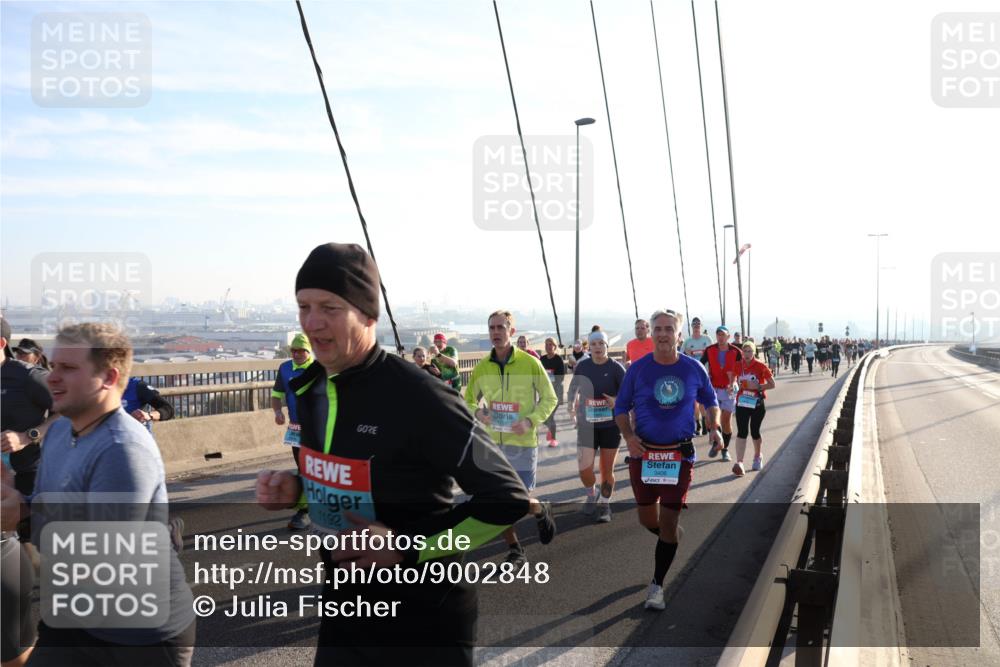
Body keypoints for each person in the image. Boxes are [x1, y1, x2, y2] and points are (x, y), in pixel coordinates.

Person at [255, 244, 531, 666]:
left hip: (424, 623)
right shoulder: (309, 389)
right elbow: (352, 485)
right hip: (346, 611)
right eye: (303, 306)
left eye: (330, 307)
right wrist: (298, 490)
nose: (312, 323)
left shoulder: (421, 397)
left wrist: (405, 549)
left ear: (368, 315)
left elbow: (506, 500)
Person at [1, 323, 195, 666]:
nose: (51, 378)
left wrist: (25, 516)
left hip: (141, 635)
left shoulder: (123, 448)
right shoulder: (60, 430)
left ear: (108, 378)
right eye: (54, 365)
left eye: (68, 368)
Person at [613, 310, 722, 610]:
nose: (662, 334)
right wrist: (629, 438)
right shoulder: (638, 369)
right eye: (657, 329)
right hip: (644, 453)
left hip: (680, 454)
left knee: (669, 519)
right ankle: (670, 536)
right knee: (649, 520)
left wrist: (714, 428)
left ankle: (657, 586)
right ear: (651, 333)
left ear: (679, 335)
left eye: (668, 329)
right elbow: (621, 408)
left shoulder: (693, 368)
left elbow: (710, 400)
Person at [466, 310, 558, 569]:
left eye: (500, 328)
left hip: (523, 442)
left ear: (511, 332)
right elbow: (469, 398)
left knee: (515, 501)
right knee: (499, 499)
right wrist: (478, 412)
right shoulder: (483, 366)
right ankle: (515, 549)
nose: (495, 332)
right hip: (493, 443)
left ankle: (539, 509)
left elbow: (550, 398)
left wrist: (530, 421)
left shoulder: (530, 363)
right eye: (491, 328)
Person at [567, 330, 625, 523]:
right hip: (586, 426)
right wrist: (571, 407)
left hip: (610, 426)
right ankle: (591, 495)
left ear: (607, 346)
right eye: (594, 344)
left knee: (607, 470)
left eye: (601, 343)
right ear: (588, 347)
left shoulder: (616, 368)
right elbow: (572, 389)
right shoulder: (583, 366)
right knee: (584, 469)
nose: (598, 347)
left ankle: (605, 505)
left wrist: (617, 401)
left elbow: (628, 396)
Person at [271, 333, 317, 531]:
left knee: (313, 469)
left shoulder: (320, 368)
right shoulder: (285, 368)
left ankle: (306, 511)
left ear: (309, 352)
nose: (297, 354)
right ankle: (309, 508)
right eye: (294, 351)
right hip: (296, 428)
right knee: (302, 468)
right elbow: (276, 394)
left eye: (301, 351)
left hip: (318, 429)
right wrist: (277, 411)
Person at [732, 340, 775, 476]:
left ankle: (757, 456)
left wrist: (758, 387)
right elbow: (733, 379)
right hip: (742, 402)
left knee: (754, 432)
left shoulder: (761, 366)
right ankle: (739, 462)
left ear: (754, 352)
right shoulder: (738, 365)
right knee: (742, 432)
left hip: (757, 403)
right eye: (745, 351)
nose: (747, 354)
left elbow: (772, 384)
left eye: (750, 351)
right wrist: (732, 385)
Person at [700, 326, 743, 462]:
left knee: (726, 421)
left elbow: (743, 369)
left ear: (728, 336)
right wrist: (703, 378)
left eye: (723, 335)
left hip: (729, 389)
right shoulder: (710, 350)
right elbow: (700, 365)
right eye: (718, 334)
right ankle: (716, 442)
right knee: (712, 419)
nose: (720, 337)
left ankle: (724, 450)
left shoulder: (736, 351)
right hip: (713, 389)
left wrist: (736, 382)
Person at [680, 317, 712, 435]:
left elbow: (713, 354)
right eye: (694, 324)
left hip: (706, 373)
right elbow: (680, 356)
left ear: (701, 326)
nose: (696, 326)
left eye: (698, 324)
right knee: (694, 401)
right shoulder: (687, 341)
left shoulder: (707, 339)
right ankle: (698, 423)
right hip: (691, 375)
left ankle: (704, 423)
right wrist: (686, 353)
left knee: (704, 399)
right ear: (691, 327)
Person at [539, 338, 566, 448]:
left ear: (555, 346)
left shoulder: (558, 359)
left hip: (556, 392)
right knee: (543, 416)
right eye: (547, 344)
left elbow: (561, 378)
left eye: (551, 344)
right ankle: (551, 430)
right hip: (544, 392)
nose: (549, 346)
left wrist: (549, 378)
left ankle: (553, 439)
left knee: (550, 416)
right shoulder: (542, 359)